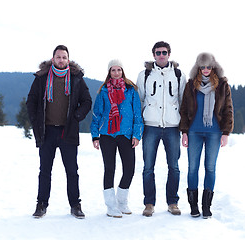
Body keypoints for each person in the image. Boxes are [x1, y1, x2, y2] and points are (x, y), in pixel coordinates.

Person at [26, 45, 92, 219]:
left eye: (64, 57)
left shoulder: (76, 78)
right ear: (53, 59)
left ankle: (75, 205)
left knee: (72, 170)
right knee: (45, 170)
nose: (61, 60)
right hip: (46, 131)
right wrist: (36, 121)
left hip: (67, 131)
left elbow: (87, 101)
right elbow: (31, 101)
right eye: (58, 57)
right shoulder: (41, 78)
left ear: (68, 60)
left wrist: (77, 116)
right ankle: (41, 204)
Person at [179, 52, 234, 218]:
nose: (205, 69)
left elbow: (228, 110)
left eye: (208, 66)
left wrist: (225, 132)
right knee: (192, 168)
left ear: (213, 67)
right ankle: (193, 205)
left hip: (214, 133)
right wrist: (184, 132)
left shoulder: (222, 85)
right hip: (194, 132)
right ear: (198, 67)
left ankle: (206, 206)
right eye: (202, 67)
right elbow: (184, 110)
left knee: (210, 168)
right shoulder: (190, 86)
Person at [136, 41, 186, 217]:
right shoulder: (145, 75)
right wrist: (138, 126)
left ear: (169, 54)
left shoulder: (179, 75)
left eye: (164, 52)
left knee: (174, 167)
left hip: (172, 127)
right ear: (153, 55)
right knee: (148, 167)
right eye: (158, 53)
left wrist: (184, 128)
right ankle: (149, 203)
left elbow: (183, 102)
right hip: (150, 126)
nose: (161, 55)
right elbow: (139, 101)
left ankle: (173, 202)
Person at [91, 59, 143, 218]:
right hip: (107, 134)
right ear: (109, 72)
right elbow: (97, 115)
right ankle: (111, 206)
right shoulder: (103, 91)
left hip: (126, 134)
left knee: (130, 169)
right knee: (109, 169)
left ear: (123, 71)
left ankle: (121, 201)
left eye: (118, 70)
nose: (116, 73)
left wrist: (137, 134)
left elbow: (137, 114)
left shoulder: (131, 90)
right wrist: (95, 135)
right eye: (113, 70)